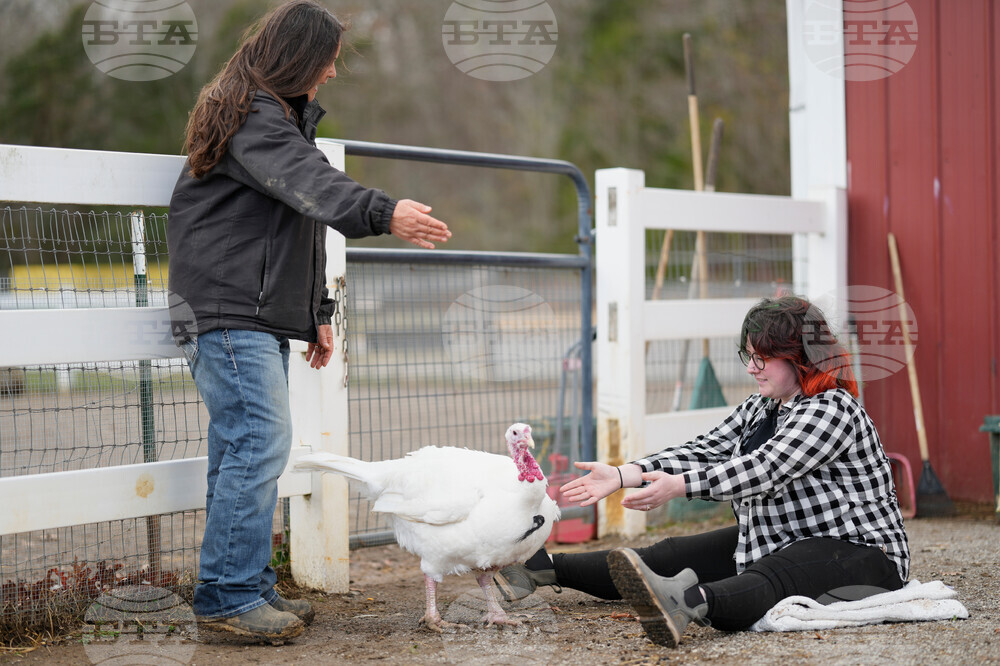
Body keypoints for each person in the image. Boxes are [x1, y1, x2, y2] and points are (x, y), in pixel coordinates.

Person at [167, 0, 451, 643]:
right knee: (260, 442)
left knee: (241, 448)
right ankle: (232, 597)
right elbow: (310, 184)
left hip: (246, 310)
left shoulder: (266, 117)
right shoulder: (254, 118)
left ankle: (236, 586)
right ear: (298, 59)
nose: (328, 76)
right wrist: (385, 213)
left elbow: (297, 215)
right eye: (325, 64)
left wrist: (316, 311)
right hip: (227, 309)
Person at [495, 296, 910, 647]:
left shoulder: (832, 408)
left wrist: (680, 487)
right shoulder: (763, 406)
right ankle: (539, 568)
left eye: (763, 357)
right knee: (669, 555)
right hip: (786, 538)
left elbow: (765, 469)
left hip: (862, 554)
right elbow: (706, 449)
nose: (752, 367)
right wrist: (628, 474)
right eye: (749, 355)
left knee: (774, 575)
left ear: (801, 357)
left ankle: (684, 603)